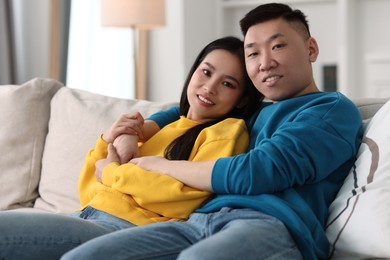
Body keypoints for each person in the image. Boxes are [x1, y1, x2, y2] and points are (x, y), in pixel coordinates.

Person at [61, 3, 363, 260]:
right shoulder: (255, 113)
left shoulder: (331, 110)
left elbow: (256, 172)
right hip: (201, 219)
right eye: (253, 54)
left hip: (273, 224)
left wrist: (160, 165)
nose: (265, 63)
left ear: (311, 49)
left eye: (278, 46)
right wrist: (134, 130)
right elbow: (188, 112)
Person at [0, 36, 261, 260]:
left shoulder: (226, 132)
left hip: (126, 228)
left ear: (242, 100)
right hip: (85, 215)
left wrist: (113, 172)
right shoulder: (165, 127)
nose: (210, 87)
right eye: (206, 72)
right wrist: (108, 140)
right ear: (193, 71)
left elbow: (181, 196)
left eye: (228, 84)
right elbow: (90, 188)